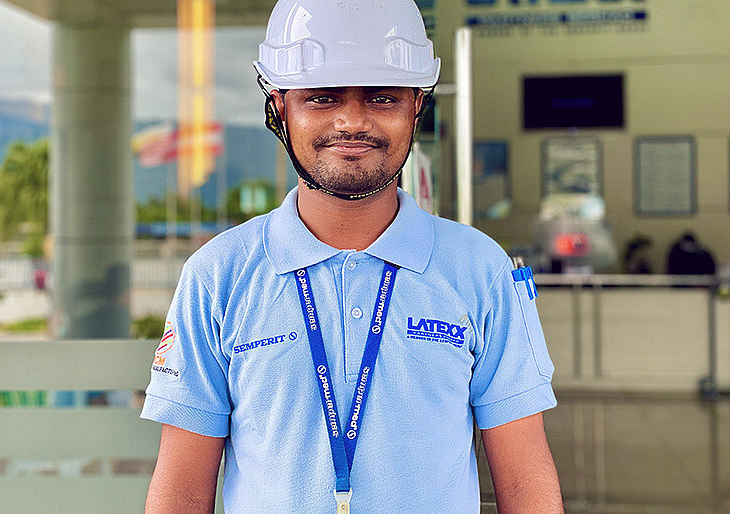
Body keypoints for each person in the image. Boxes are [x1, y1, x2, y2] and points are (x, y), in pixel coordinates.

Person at [141, 1, 563, 512]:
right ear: (279, 109)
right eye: (322, 98)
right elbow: (182, 488)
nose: (351, 121)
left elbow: (524, 480)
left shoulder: (479, 269)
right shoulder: (218, 276)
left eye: (382, 97)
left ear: (417, 107)